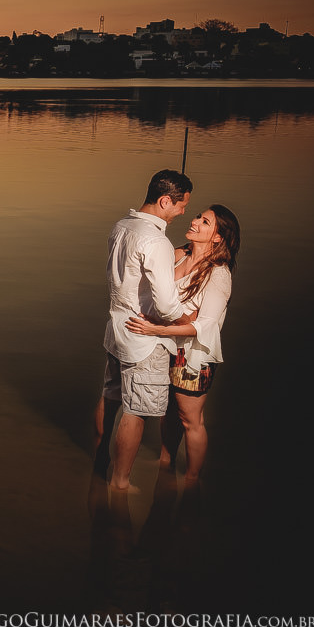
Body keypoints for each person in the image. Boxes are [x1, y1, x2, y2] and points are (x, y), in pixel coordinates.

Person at [125, 204, 239, 486]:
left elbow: (205, 325)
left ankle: (191, 479)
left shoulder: (218, 274)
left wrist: (157, 329)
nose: (195, 221)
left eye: (205, 221)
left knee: (191, 420)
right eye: (198, 216)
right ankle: (166, 462)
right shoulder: (179, 255)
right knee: (169, 413)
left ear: (217, 237)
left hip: (194, 357)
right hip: (166, 347)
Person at [94, 169, 192, 490]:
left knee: (110, 398)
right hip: (144, 339)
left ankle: (100, 459)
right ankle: (120, 483)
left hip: (116, 328)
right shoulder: (156, 240)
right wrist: (188, 322)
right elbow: (165, 304)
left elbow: (128, 274)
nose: (183, 212)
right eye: (180, 206)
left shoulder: (122, 226)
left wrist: (172, 257)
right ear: (165, 200)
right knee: (135, 412)